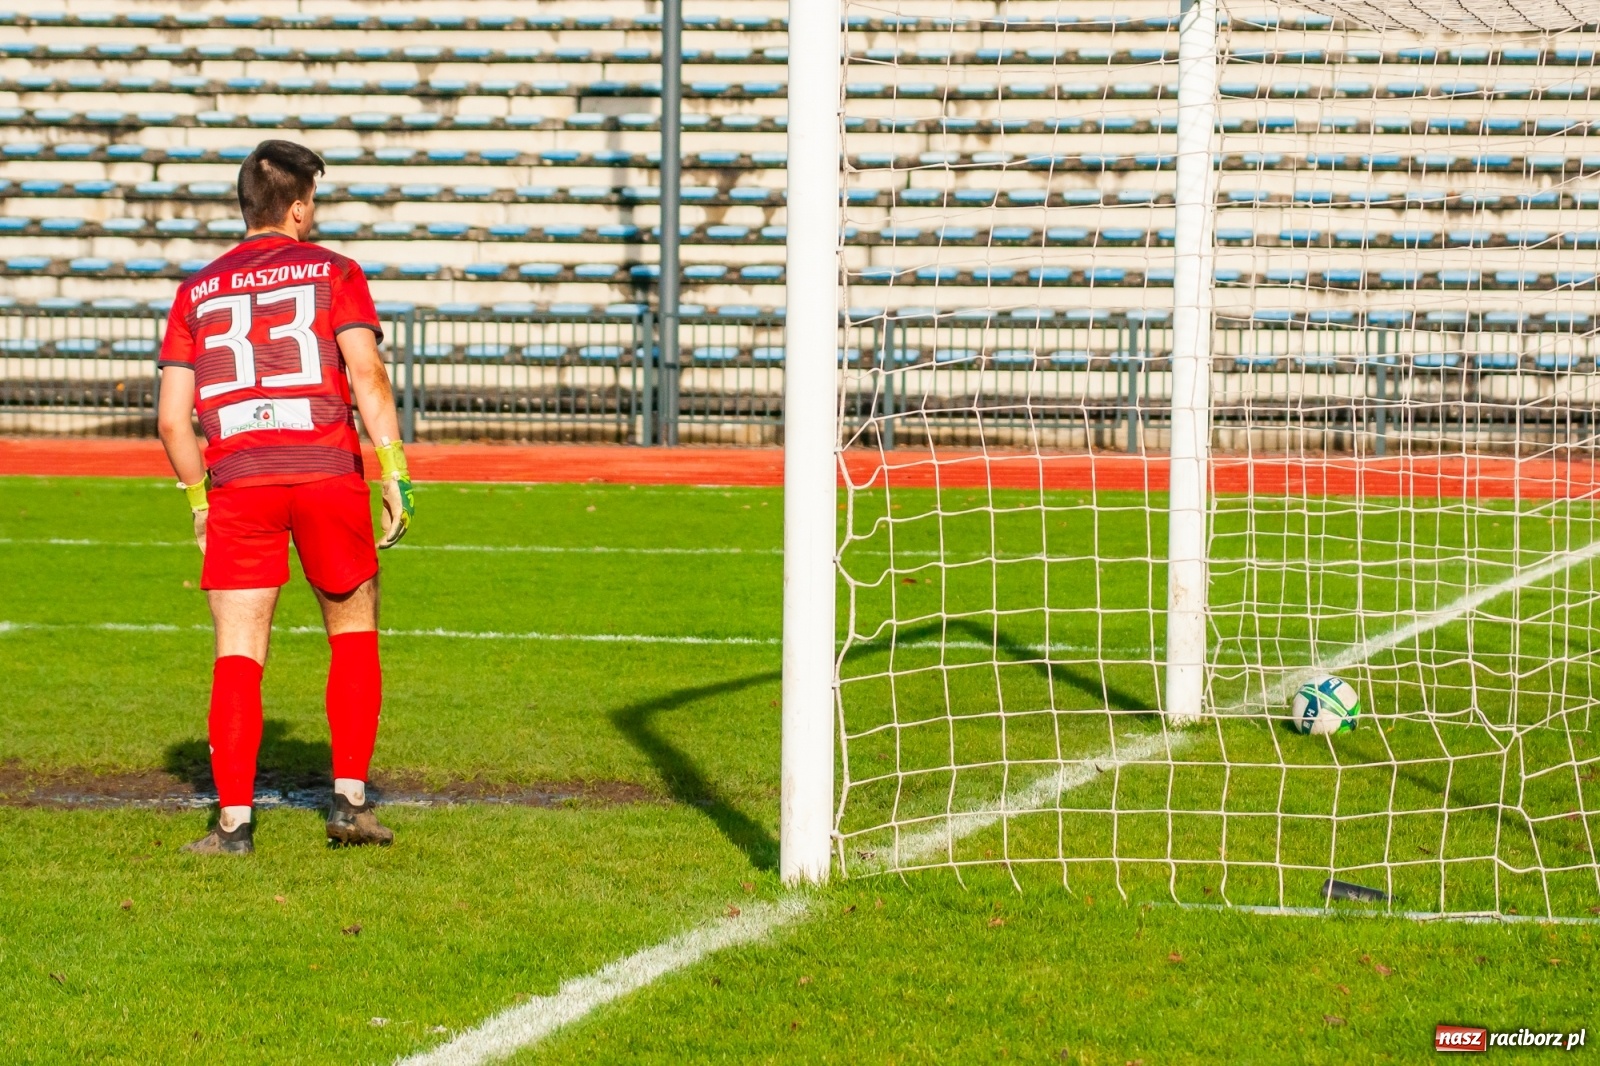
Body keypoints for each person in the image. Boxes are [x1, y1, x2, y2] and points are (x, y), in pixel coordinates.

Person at [156, 139, 416, 855]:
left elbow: (173, 420)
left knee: (238, 650)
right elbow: (366, 374)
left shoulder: (196, 290)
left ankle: (233, 825)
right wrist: (393, 468)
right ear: (300, 207)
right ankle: (350, 804)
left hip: (239, 481)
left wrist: (199, 503)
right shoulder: (336, 271)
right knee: (353, 630)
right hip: (326, 471)